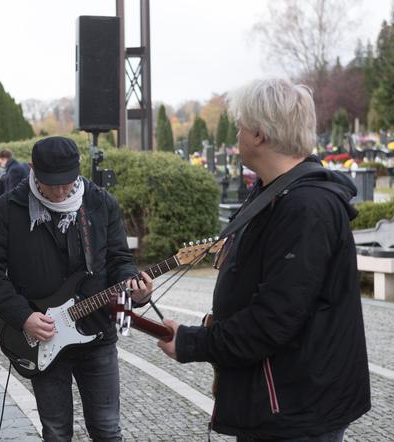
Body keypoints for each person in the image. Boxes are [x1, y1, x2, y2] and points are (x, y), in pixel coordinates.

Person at [157, 78, 370, 441]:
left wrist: (196, 342)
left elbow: (274, 319)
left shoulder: (305, 207)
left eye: (240, 126)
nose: (236, 134)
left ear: (259, 134)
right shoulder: (275, 192)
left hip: (296, 407)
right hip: (278, 398)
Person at [0, 136, 153, 441]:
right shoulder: (9, 208)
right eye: (50, 183)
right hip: (41, 336)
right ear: (33, 170)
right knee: (56, 432)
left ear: (78, 170)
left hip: (97, 333)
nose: (59, 191)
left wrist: (136, 290)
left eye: (67, 182)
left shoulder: (100, 203)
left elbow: (119, 259)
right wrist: (23, 317)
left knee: (108, 430)